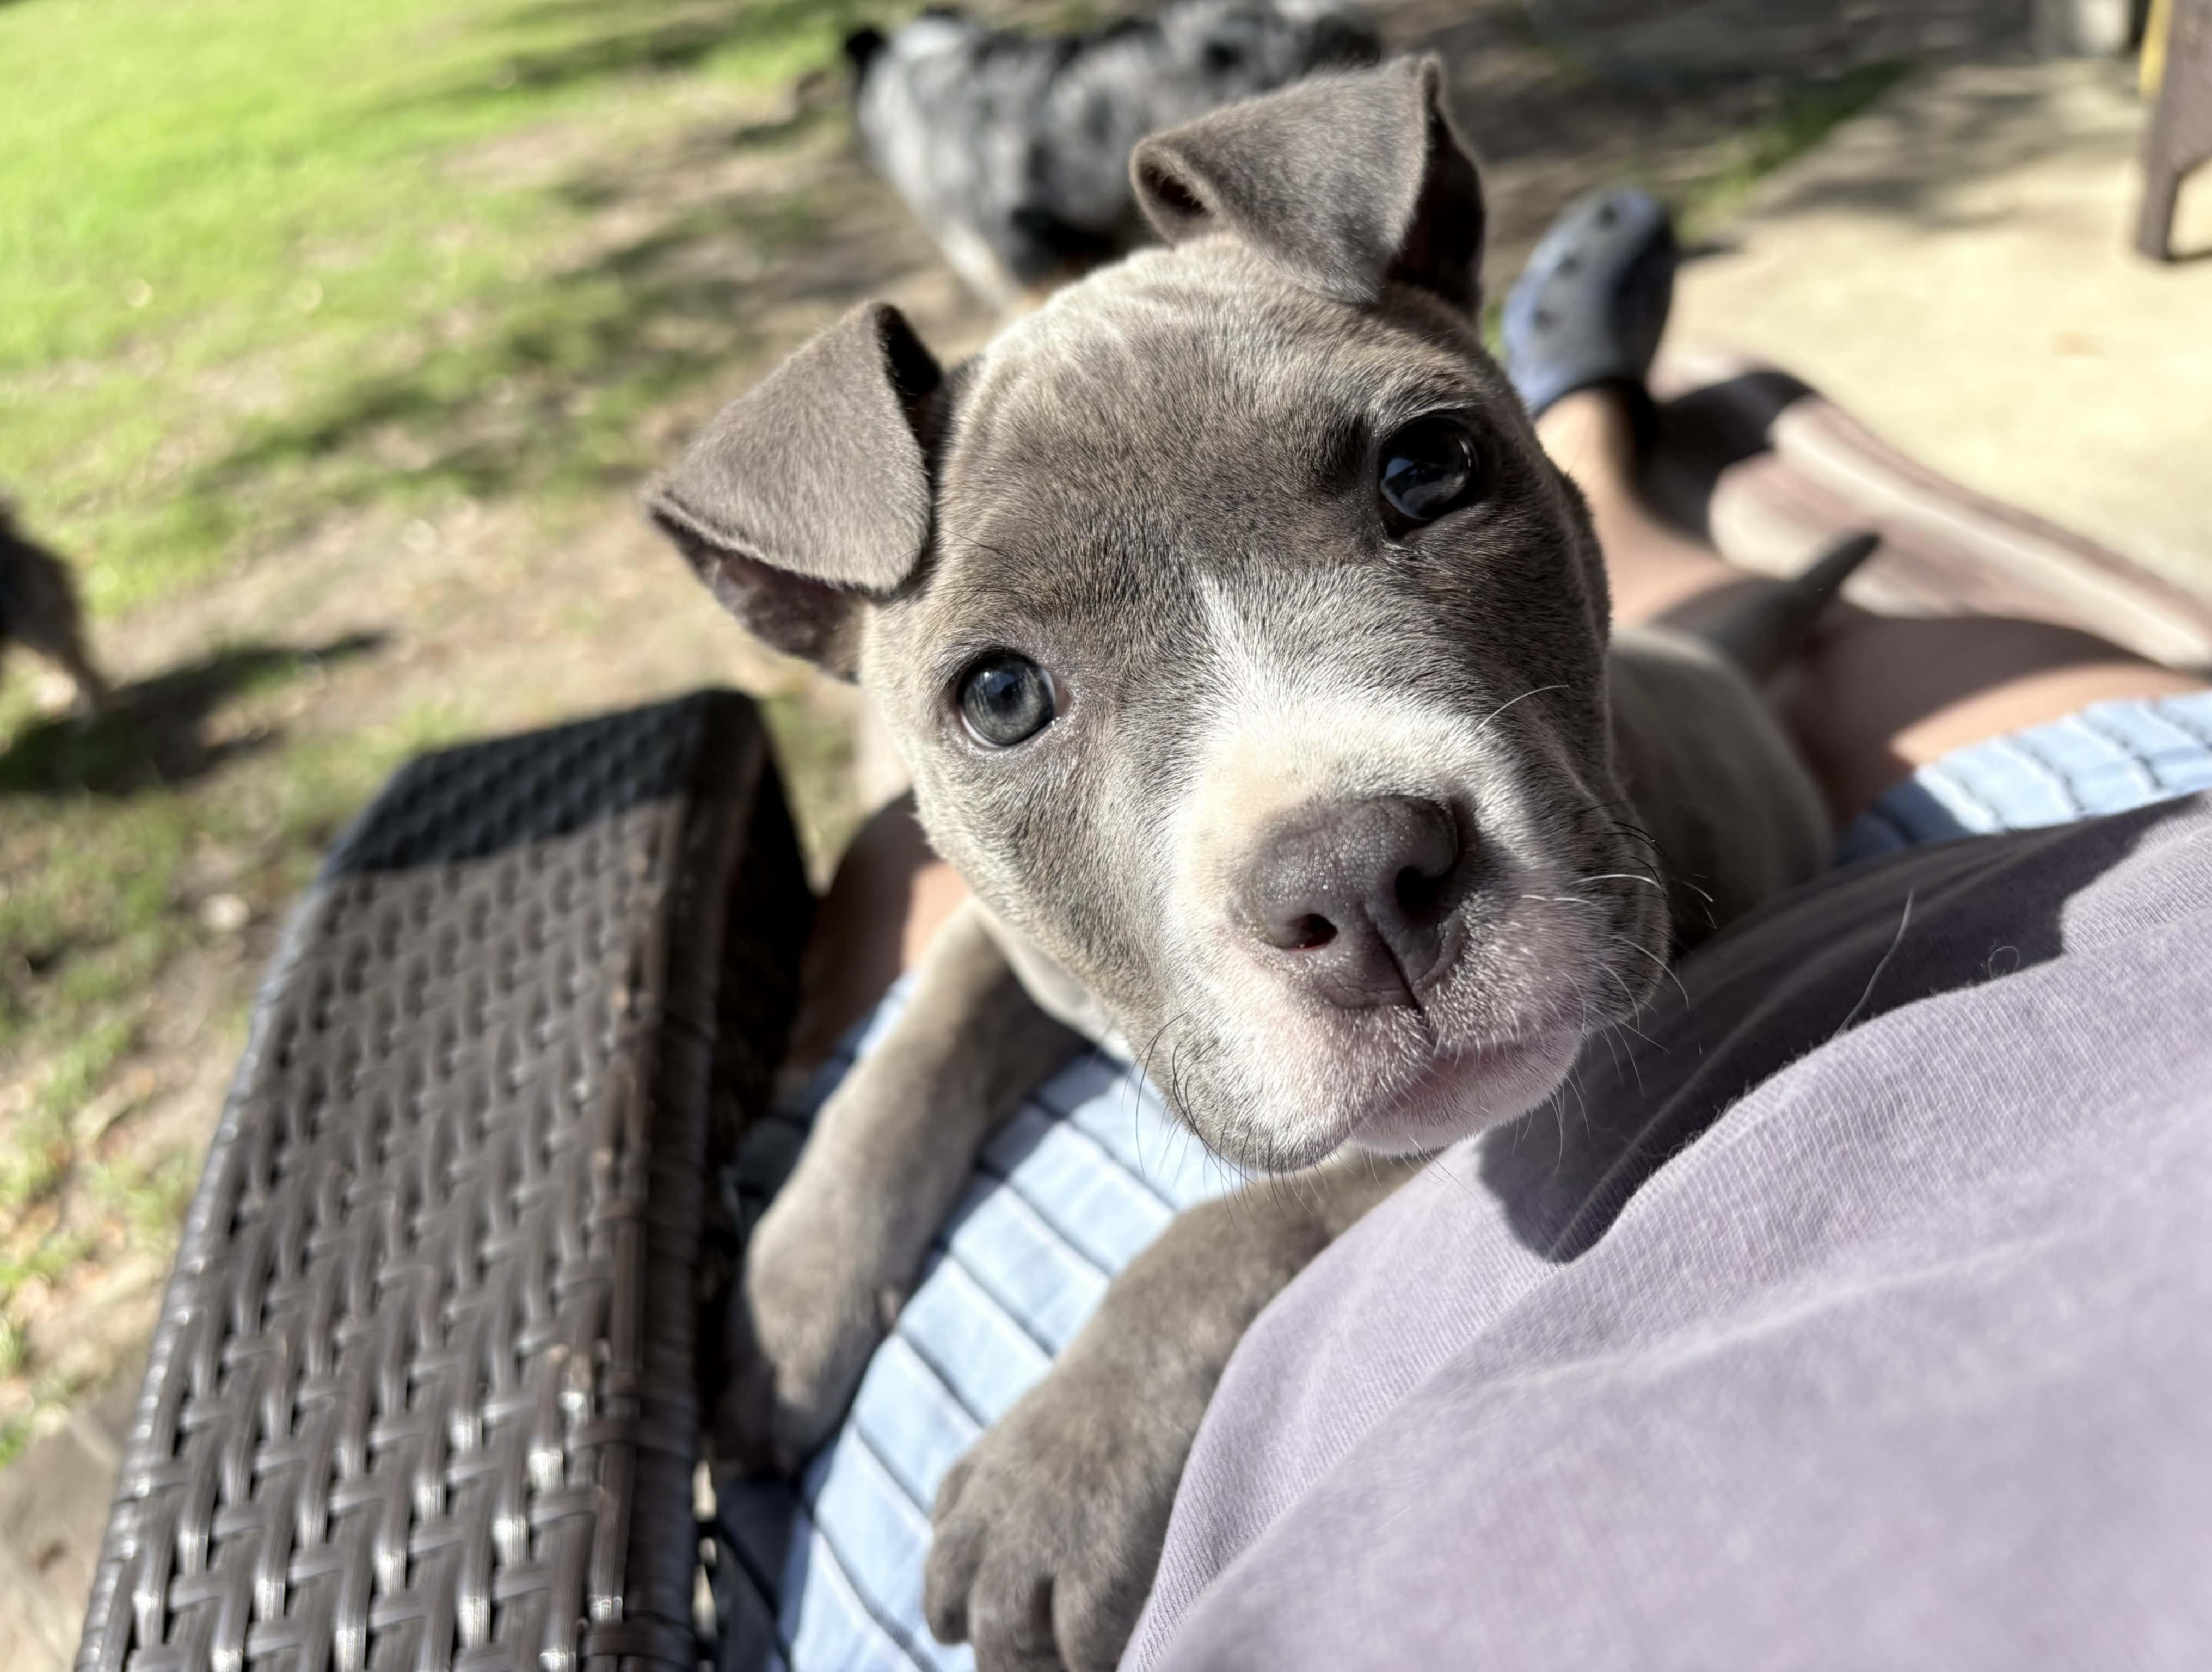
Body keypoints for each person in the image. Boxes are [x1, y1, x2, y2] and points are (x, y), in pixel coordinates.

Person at [739, 190, 2212, 1669]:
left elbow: (1630, 1124)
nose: (1347, 867)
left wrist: (1198, 1292)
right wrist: (872, 1153)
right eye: (1008, 692)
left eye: (1423, 472)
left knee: (1713, 635)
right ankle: (1599, 430)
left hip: (1698, 774)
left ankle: (1599, 452)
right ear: (791, 590)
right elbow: (1001, 946)